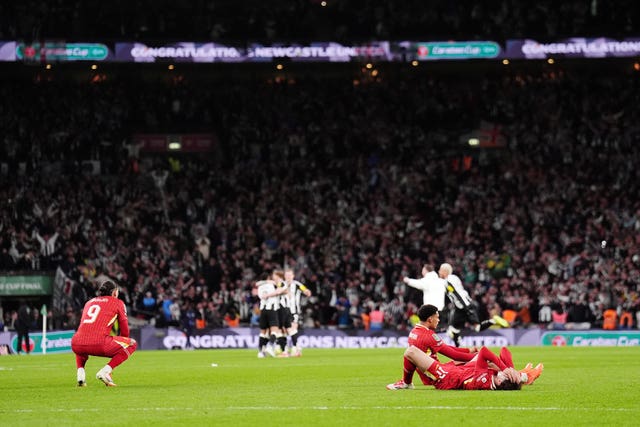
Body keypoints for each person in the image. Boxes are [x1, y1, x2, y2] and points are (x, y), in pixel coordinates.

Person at [387, 304, 480, 390]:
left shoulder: (414, 332)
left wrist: (468, 350)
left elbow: (446, 348)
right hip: (437, 375)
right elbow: (453, 355)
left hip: (431, 372)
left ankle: (406, 382)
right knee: (473, 364)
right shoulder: (429, 335)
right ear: (430, 319)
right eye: (437, 317)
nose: (438, 320)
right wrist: (477, 356)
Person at [71, 279, 137, 387]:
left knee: (81, 341)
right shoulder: (118, 303)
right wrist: (123, 343)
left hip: (76, 343)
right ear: (114, 292)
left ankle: (80, 376)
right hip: (99, 343)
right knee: (132, 344)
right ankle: (106, 371)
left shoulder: (89, 302)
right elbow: (124, 329)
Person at [439, 263, 509, 346]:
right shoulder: (453, 278)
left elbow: (457, 294)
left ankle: (494, 320)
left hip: (465, 306)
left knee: (477, 328)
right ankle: (458, 348)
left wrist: (466, 307)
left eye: (440, 270)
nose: (439, 272)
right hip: (460, 307)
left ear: (444, 271)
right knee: (454, 329)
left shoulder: (449, 280)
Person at [404, 344, 528, 390]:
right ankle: (522, 376)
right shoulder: (495, 378)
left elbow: (485, 351)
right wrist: (512, 370)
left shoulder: (483, 380)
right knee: (490, 361)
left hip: (446, 377)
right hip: (459, 370)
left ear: (500, 380)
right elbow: (504, 350)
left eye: (504, 374)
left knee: (411, 351)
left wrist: (505, 369)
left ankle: (406, 383)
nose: (502, 371)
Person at [255, 272, 285, 358]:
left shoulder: (260, 286)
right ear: (269, 278)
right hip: (272, 309)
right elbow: (281, 290)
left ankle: (260, 352)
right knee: (274, 330)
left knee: (262, 332)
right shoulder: (273, 285)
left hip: (263, 310)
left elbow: (257, 285)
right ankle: (270, 346)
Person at [284, 268, 312, 357]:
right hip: (283, 311)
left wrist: (307, 292)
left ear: (293, 276)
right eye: (287, 275)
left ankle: (295, 348)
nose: (288, 277)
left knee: (293, 328)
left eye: (290, 275)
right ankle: (290, 348)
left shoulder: (297, 284)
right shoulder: (281, 284)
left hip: (294, 311)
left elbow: (306, 291)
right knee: (284, 330)